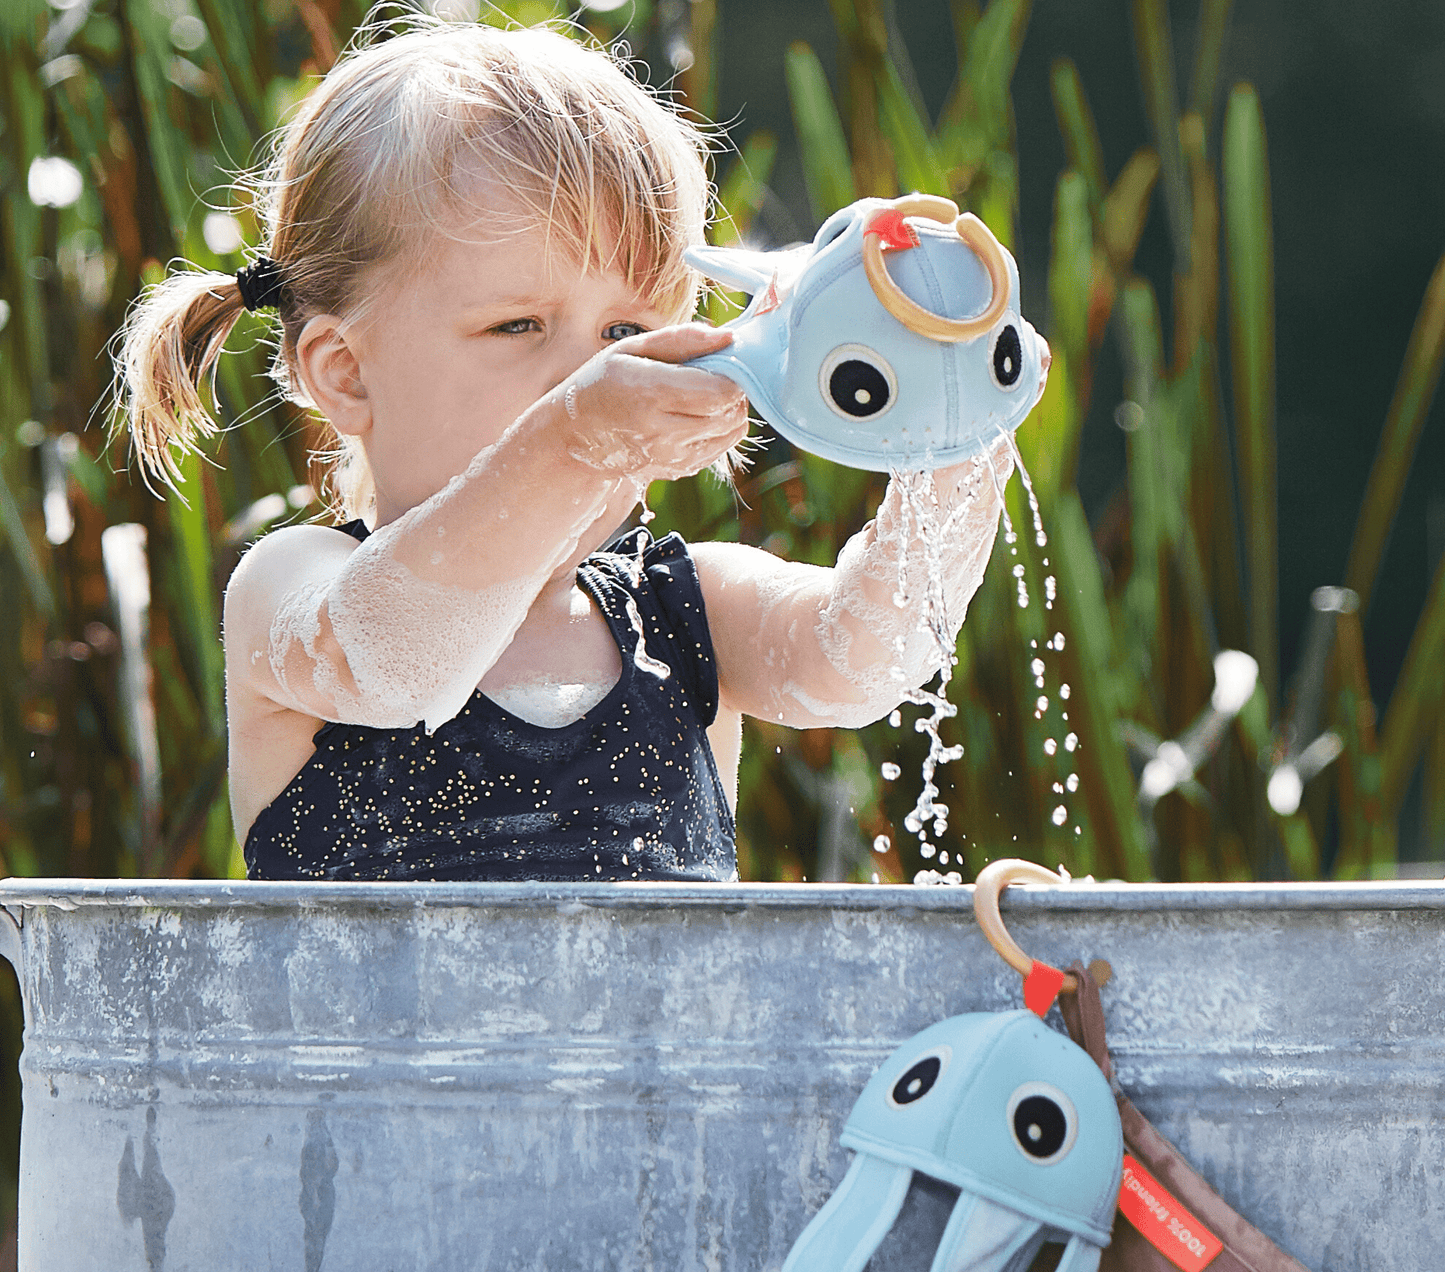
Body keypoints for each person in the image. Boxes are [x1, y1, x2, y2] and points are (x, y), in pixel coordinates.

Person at [118, 17, 1018, 883]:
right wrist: (575, 437)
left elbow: (864, 656)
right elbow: (392, 664)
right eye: (518, 324)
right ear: (346, 373)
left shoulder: (686, 609)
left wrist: (957, 422)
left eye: (626, 328)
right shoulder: (294, 586)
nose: (591, 371)